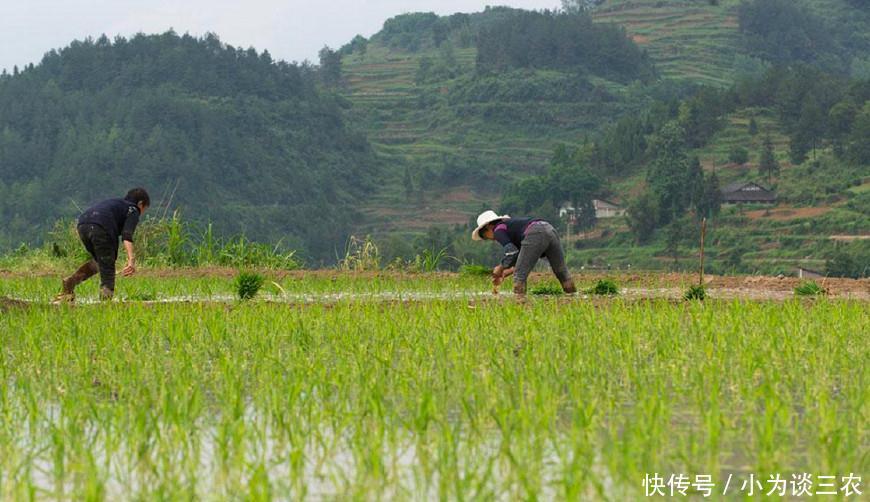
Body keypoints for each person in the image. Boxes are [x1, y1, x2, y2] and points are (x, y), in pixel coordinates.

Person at [54, 188, 150, 302]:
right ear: (140, 203)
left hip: (83, 224)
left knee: (101, 261)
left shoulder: (117, 204)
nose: (142, 213)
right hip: (100, 227)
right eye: (144, 209)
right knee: (108, 266)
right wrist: (131, 259)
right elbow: (127, 235)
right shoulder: (133, 209)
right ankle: (105, 302)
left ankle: (71, 282)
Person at [472, 210, 576, 296]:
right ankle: (573, 298)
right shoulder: (511, 227)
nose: (489, 239)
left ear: (488, 227)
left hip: (535, 232)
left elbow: (511, 252)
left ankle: (520, 304)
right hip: (549, 229)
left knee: (519, 277)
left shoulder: (498, 230)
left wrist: (500, 268)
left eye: (484, 236)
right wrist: (505, 272)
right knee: (562, 272)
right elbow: (524, 256)